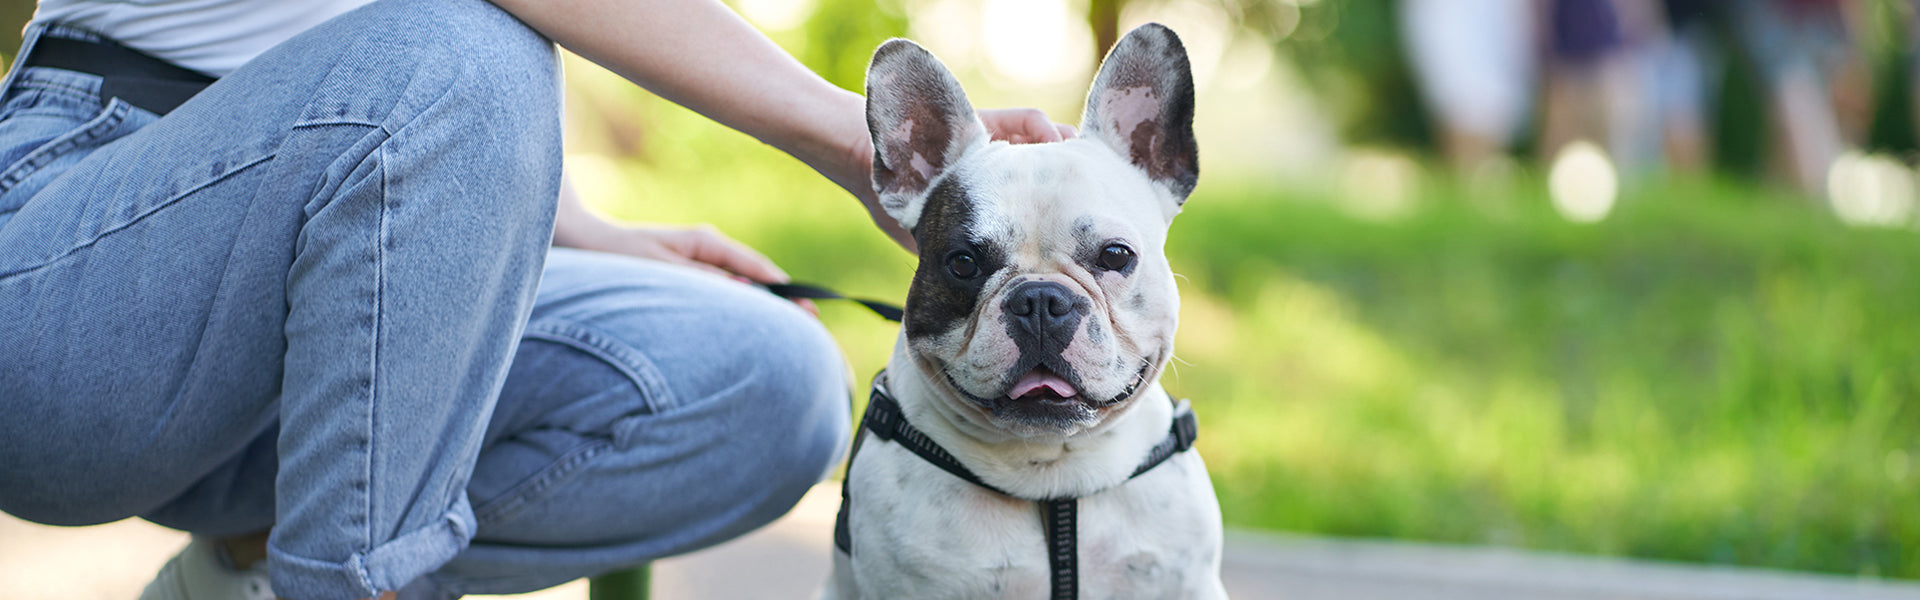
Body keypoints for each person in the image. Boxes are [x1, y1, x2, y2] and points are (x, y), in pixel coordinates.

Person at [0, 0, 1073, 598]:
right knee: (472, 50)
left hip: (312, 265)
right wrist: (860, 138)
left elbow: (380, 114)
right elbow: (432, 70)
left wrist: (596, 240)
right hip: (78, 246)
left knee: (772, 379)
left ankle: (248, 573)